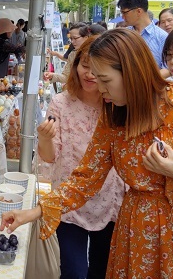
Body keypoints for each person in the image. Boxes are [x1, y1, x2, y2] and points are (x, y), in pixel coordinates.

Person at [1, 28, 173, 277]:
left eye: (105, 80)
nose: (99, 88)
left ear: (131, 71)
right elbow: (85, 179)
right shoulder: (113, 116)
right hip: (135, 236)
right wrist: (33, 212)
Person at [37, 37, 125, 279]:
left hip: (110, 202)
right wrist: (45, 138)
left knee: (102, 270)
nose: (90, 75)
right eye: (85, 65)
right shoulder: (61, 103)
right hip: (69, 201)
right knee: (74, 272)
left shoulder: (118, 105)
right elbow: (49, 156)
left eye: (98, 70)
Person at [117, 0, 169, 77]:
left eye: (125, 12)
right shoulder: (123, 35)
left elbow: (167, 68)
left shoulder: (162, 37)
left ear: (138, 11)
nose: (122, 17)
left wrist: (146, 81)